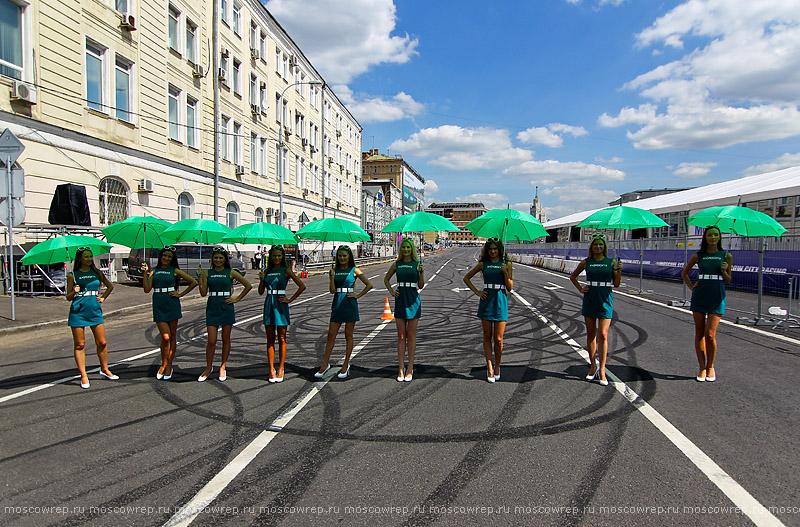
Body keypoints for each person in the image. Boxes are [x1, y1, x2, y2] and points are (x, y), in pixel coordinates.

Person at [569, 234, 622, 386]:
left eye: (601, 244)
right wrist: (580, 289)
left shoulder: (611, 262)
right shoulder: (586, 262)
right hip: (590, 299)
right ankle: (593, 366)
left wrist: (619, 271)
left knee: (603, 335)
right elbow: (573, 277)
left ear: (604, 247)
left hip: (605, 299)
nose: (598, 247)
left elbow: (617, 284)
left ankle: (603, 369)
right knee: (591, 334)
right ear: (591, 247)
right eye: (595, 244)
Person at [680, 226, 732, 382]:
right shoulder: (698, 255)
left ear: (719, 237)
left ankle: (711, 366)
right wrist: (692, 288)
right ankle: (702, 368)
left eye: (716, 234)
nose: (713, 237)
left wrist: (724, 271)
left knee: (710, 335)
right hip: (700, 295)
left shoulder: (726, 256)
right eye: (710, 235)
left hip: (717, 295)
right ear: (705, 237)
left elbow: (729, 280)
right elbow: (685, 273)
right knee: (699, 334)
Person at [315, 246, 373, 380]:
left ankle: (346, 364)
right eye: (340, 256)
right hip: (337, 304)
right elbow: (331, 290)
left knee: (348, 335)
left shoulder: (354, 270)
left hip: (349, 304)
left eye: (344, 256)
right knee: (331, 335)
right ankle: (325, 364)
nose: (342, 258)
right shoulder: (334, 270)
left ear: (349, 257)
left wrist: (357, 296)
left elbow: (369, 285)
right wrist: (331, 278)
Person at [141, 245, 197, 380]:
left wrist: (180, 294)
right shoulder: (153, 271)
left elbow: (193, 282)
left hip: (172, 303)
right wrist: (145, 273)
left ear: (172, 259)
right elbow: (147, 289)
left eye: (169, 256)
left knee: (172, 336)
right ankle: (163, 363)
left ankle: (169, 364)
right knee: (165, 337)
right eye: (164, 255)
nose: (166, 258)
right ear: (160, 257)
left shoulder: (175, 270)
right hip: (159, 304)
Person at [198, 247, 252, 382]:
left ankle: (223, 366)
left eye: (220, 258)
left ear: (225, 259)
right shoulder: (207, 273)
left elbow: (248, 286)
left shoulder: (231, 272)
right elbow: (203, 293)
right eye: (215, 258)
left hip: (226, 306)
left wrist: (236, 299)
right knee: (211, 341)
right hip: (212, 305)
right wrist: (200, 279)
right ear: (212, 259)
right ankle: (208, 367)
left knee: (225, 339)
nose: (218, 260)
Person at [463, 238, 513, 383]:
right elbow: (466, 278)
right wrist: (477, 292)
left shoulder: (507, 264)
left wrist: (505, 273)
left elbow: (510, 287)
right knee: (486, 335)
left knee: (498, 338)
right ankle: (489, 366)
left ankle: (498, 366)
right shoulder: (482, 264)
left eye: (495, 249)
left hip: (500, 300)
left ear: (500, 250)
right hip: (486, 300)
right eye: (490, 249)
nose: (492, 251)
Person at [66, 247, 117, 389]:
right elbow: (68, 297)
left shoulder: (97, 273)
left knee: (102, 342)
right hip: (78, 311)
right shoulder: (72, 275)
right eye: (86, 257)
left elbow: (109, 286)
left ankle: (105, 369)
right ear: (80, 259)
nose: (89, 259)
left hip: (94, 310)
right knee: (80, 344)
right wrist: (74, 292)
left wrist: (103, 298)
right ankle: (83, 375)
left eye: (90, 256)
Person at [259, 245, 306, 382]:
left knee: (282, 337)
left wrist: (290, 299)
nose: (277, 258)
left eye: (279, 255)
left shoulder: (285, 270)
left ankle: (281, 367)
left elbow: (302, 286)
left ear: (282, 257)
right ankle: (271, 369)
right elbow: (261, 291)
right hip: (269, 303)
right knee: (269, 339)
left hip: (280, 304)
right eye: (274, 256)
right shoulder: (267, 271)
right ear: (270, 257)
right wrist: (262, 279)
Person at [383, 238, 424, 382]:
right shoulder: (397, 264)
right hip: (400, 301)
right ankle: (400, 368)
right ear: (401, 249)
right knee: (401, 336)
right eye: (404, 247)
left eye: (408, 247)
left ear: (412, 249)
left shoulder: (417, 264)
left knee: (411, 336)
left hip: (413, 300)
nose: (406, 249)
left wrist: (421, 272)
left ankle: (410, 368)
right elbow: (386, 279)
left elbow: (421, 285)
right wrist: (392, 292)